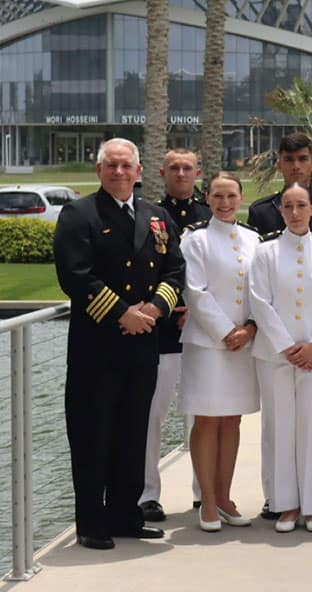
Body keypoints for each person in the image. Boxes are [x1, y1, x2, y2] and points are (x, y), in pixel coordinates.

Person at [53, 138, 186, 550]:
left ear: (139, 170)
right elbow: (75, 275)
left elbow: (175, 270)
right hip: (98, 347)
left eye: (126, 165)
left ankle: (127, 515)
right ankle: (92, 523)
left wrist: (154, 310)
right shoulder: (79, 214)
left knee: (133, 432)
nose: (119, 172)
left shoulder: (156, 216)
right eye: (111, 165)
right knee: (94, 434)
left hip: (143, 344)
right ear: (99, 171)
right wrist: (122, 313)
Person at [247, 131, 312, 521]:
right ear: (281, 209)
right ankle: (284, 502)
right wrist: (287, 345)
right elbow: (260, 300)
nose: (294, 212)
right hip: (275, 354)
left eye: (300, 205)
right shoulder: (264, 251)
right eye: (287, 206)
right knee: (279, 427)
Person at [179, 172, 260, 532]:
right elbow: (194, 292)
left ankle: (225, 497)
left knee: (232, 419)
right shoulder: (195, 240)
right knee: (207, 419)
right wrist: (228, 331)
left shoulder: (254, 239)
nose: (224, 203)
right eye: (217, 196)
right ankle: (207, 500)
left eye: (230, 196)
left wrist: (250, 328)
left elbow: (263, 290)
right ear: (207, 198)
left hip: (245, 342)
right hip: (209, 344)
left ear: (241, 197)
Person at [140, 147, 211, 522]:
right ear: (162, 171)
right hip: (163, 331)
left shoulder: (210, 213)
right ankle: (148, 493)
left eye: (187, 168)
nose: (181, 173)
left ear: (198, 172)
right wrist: (170, 307)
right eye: (174, 168)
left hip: (203, 332)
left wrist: (196, 310)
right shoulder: (148, 216)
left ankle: (206, 493)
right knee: (154, 413)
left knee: (202, 414)